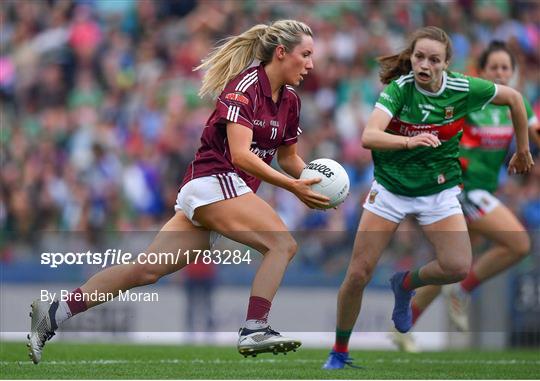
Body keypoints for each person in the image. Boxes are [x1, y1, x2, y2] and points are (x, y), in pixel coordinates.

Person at [27, 19, 331, 364]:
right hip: (212, 182)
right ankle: (254, 328)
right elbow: (241, 155)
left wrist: (314, 181)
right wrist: (292, 186)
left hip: (227, 192)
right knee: (282, 243)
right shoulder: (244, 87)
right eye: (305, 55)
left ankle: (53, 313)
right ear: (281, 53)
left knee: (144, 270)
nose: (310, 64)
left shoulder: (290, 100)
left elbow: (288, 158)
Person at [322, 26, 534, 370]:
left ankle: (404, 284)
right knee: (358, 273)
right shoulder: (400, 90)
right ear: (411, 58)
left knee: (457, 267)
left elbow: (512, 98)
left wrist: (522, 150)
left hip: (438, 190)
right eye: (419, 57)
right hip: (391, 189)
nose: (425, 64)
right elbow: (369, 135)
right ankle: (339, 351)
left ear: (446, 64)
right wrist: (409, 140)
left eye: (434, 59)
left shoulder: (463, 88)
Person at [391, 40, 540, 352]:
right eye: (494, 68)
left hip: (482, 191)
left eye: (505, 68)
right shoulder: (471, 100)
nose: (500, 73)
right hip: (460, 189)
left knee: (449, 265)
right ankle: (463, 290)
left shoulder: (517, 105)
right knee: (519, 243)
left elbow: (534, 130)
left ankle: (404, 327)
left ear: (513, 73)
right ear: (481, 72)